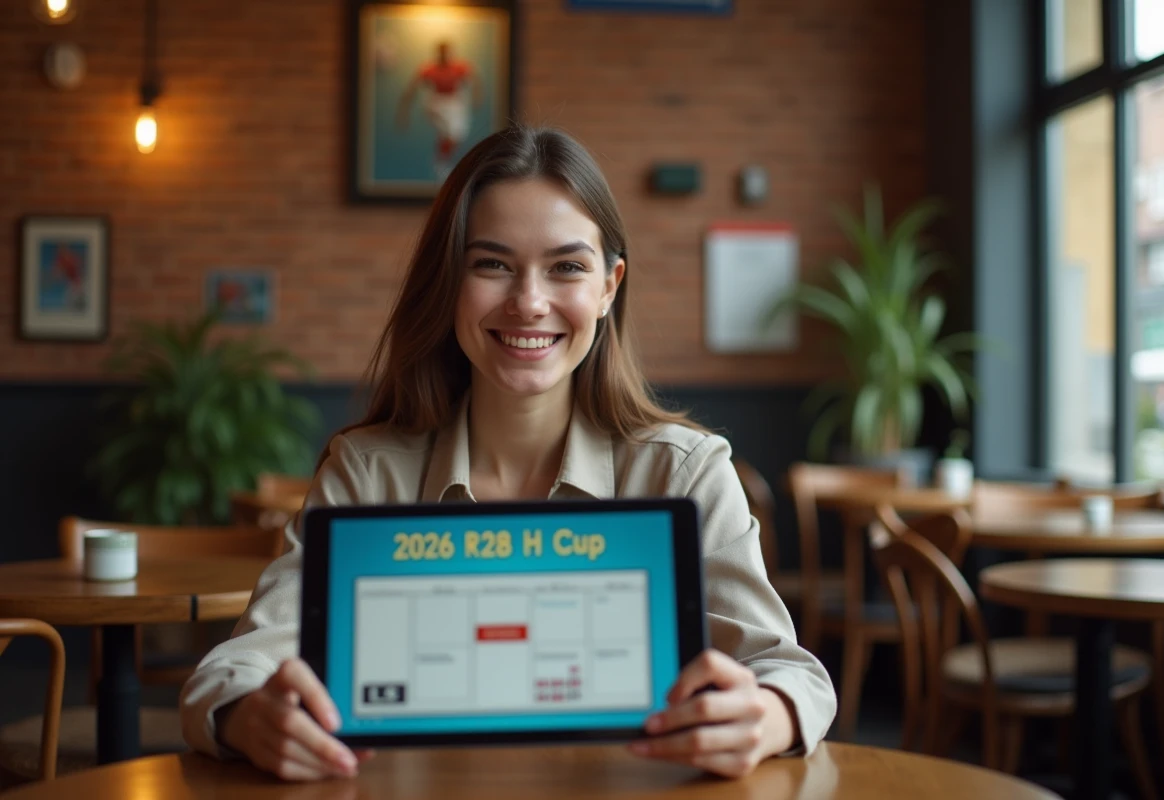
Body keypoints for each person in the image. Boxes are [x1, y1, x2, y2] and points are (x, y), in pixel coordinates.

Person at [180, 125, 836, 781]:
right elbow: (234, 670)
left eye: (567, 267)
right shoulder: (368, 472)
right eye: (492, 264)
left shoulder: (685, 473)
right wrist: (249, 716)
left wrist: (765, 714)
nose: (528, 302)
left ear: (609, 287)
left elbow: (789, 672)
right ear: (449, 281)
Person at [395, 40, 482, 184]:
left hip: (454, 104)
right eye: (442, 53)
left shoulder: (460, 67)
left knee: (457, 135)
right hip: (436, 104)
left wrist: (476, 97)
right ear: (438, 54)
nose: (445, 56)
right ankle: (441, 164)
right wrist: (403, 113)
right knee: (451, 132)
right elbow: (412, 89)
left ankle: (442, 161)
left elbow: (475, 80)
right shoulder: (429, 69)